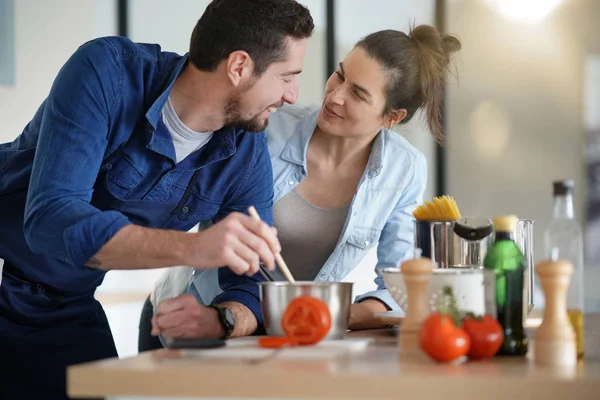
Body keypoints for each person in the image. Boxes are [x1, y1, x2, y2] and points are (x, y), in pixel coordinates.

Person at [0, 0, 314, 398]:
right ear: (238, 67)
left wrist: (220, 320)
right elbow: (50, 220)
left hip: (66, 301)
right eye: (287, 76)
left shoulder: (245, 152)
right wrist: (194, 247)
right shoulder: (106, 72)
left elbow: (255, 280)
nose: (292, 95)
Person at [143, 25, 461, 346]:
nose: (335, 95)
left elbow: (398, 283)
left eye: (358, 93)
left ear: (392, 117)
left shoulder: (404, 169)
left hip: (295, 334)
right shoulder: (266, 125)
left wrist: (331, 314)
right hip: (194, 315)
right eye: (340, 76)